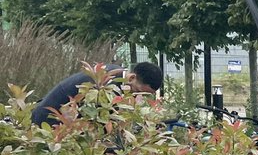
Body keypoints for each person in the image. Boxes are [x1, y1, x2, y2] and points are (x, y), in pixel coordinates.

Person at [31, 61, 163, 126]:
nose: (136, 97)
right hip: (48, 121)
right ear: (131, 78)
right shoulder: (104, 84)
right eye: (138, 92)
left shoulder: (116, 76)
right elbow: (98, 120)